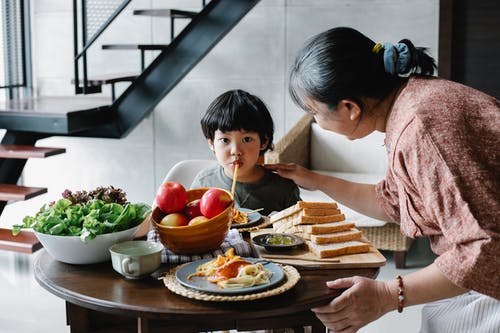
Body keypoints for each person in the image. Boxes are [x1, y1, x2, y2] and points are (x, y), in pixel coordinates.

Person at [265, 27, 499, 333]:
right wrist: (314, 179)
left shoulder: (422, 129)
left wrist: (387, 295)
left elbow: (486, 250)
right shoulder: (411, 102)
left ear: (349, 107)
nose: (314, 121)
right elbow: (393, 201)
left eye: (314, 111)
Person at [191, 89, 301, 216]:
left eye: (247, 139)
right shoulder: (204, 182)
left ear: (264, 141)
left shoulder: (283, 188)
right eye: (225, 140)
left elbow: (300, 227)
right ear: (211, 143)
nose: (236, 151)